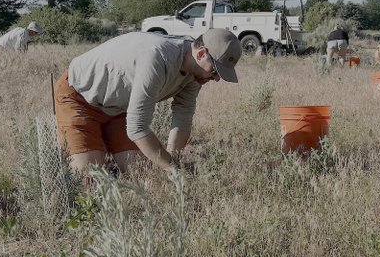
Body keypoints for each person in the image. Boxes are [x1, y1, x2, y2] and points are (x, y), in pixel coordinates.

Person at [54, 28, 241, 177]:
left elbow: (183, 116)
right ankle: (95, 158)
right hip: (79, 98)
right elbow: (137, 128)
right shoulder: (157, 59)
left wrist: (172, 161)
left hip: (119, 109)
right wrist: (174, 171)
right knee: (88, 180)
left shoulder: (197, 73)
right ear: (201, 54)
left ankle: (105, 158)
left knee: (140, 175)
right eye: (215, 71)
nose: (216, 78)